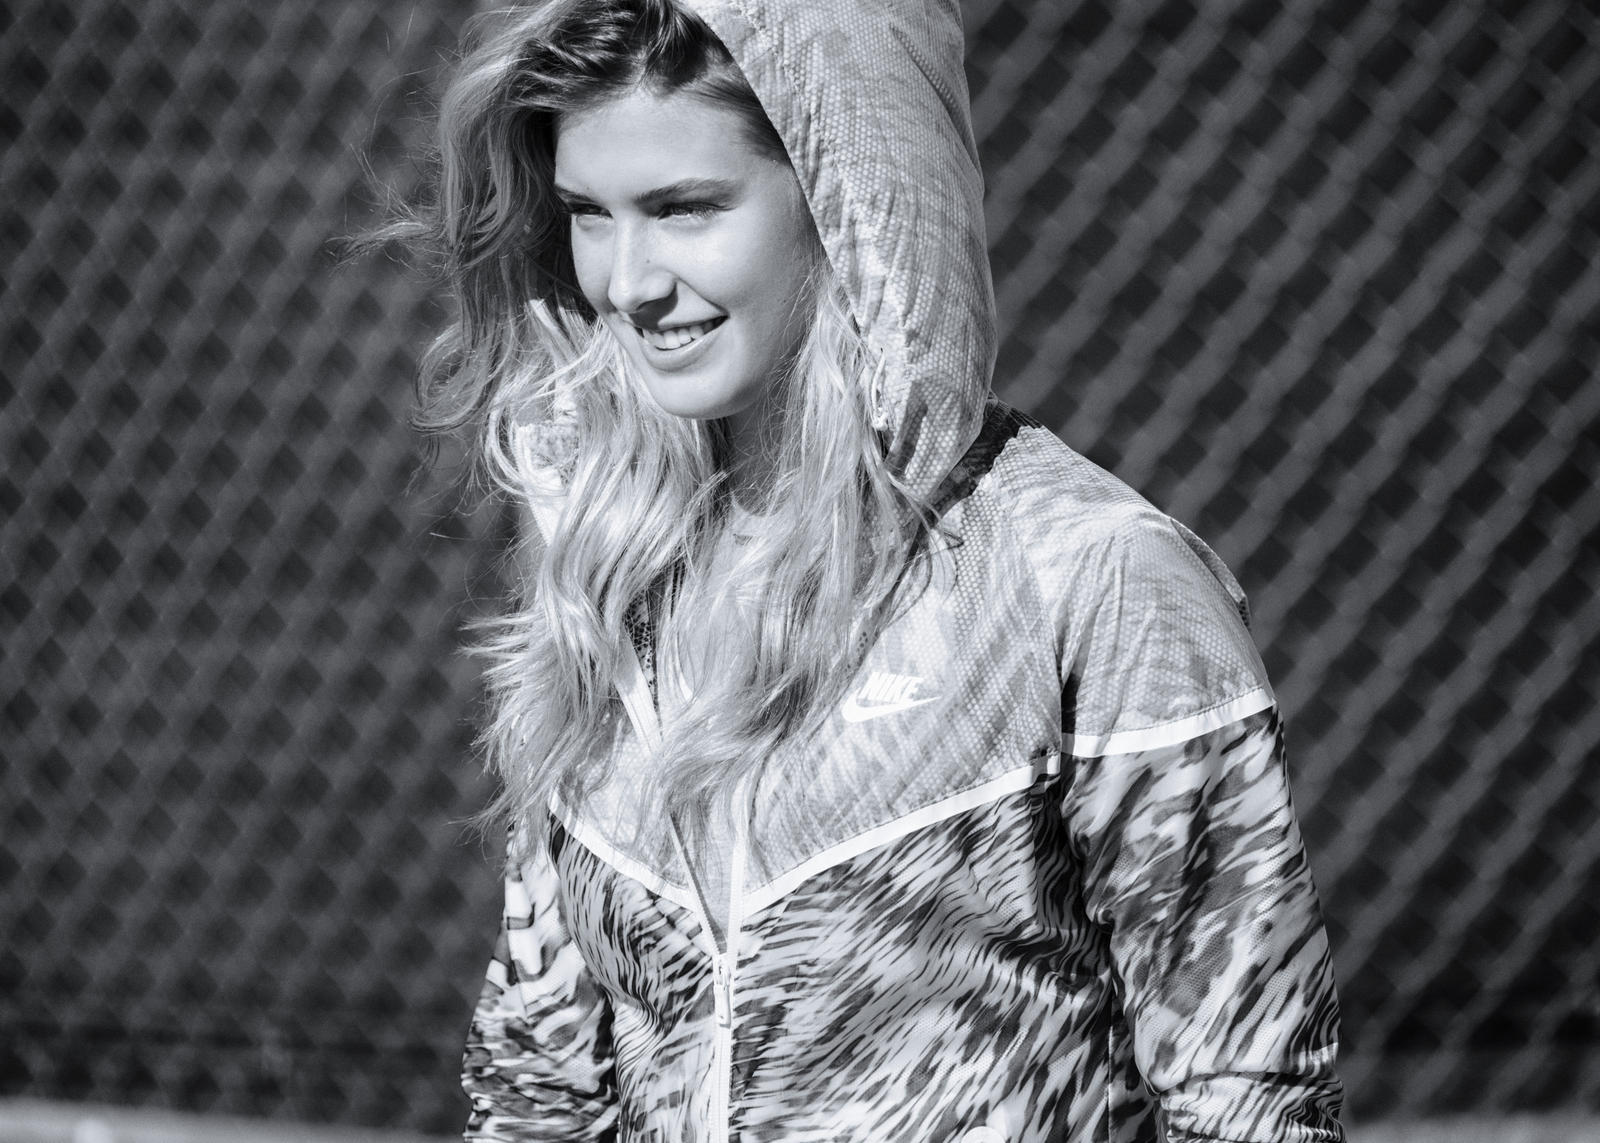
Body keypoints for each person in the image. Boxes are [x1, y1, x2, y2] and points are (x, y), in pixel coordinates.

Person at [393, 0, 1346, 1138]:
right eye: (589, 215)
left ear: (846, 197)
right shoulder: (608, 562)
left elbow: (1250, 1097)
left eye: (686, 208)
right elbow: (538, 1088)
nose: (628, 281)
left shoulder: (1093, 576)